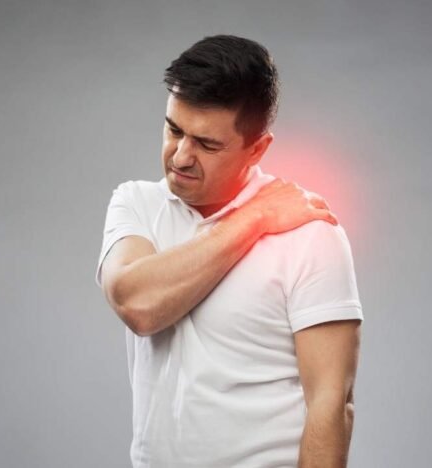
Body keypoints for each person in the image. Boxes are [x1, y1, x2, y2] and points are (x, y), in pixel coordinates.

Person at [95, 34, 364, 468]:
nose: (181, 157)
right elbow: (137, 303)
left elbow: (331, 404)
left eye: (207, 144)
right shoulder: (137, 203)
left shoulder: (310, 234)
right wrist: (254, 218)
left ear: (257, 149)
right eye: (174, 130)